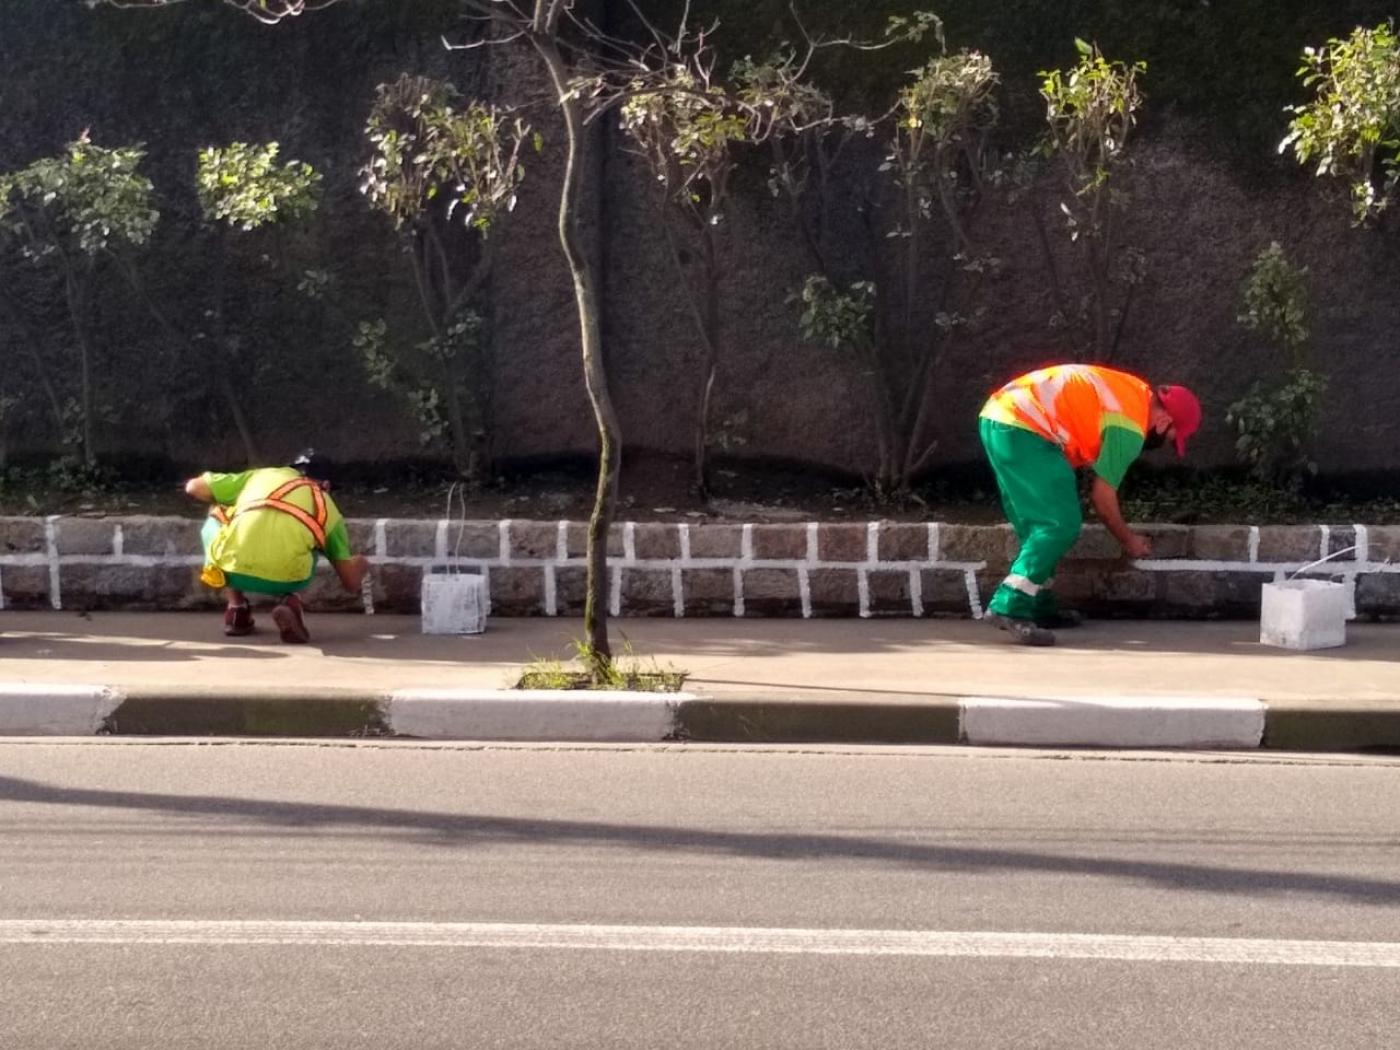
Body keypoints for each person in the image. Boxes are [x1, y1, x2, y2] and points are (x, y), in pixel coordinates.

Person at [978, 363, 1202, 646]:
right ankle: (1008, 606)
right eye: (1171, 438)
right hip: (1025, 428)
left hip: (1001, 418)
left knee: (1037, 528)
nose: (1165, 445)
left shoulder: (1134, 392)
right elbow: (1103, 499)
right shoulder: (1130, 426)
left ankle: (1039, 605)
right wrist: (1128, 539)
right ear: (1163, 422)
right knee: (1060, 525)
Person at [185, 450, 370, 643]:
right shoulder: (325, 505)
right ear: (326, 484)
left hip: (230, 570)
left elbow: (193, 487)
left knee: (217, 511)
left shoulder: (261, 476)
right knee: (311, 534)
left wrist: (239, 504)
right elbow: (351, 583)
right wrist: (361, 564)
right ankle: (291, 601)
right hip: (289, 578)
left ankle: (236, 609)